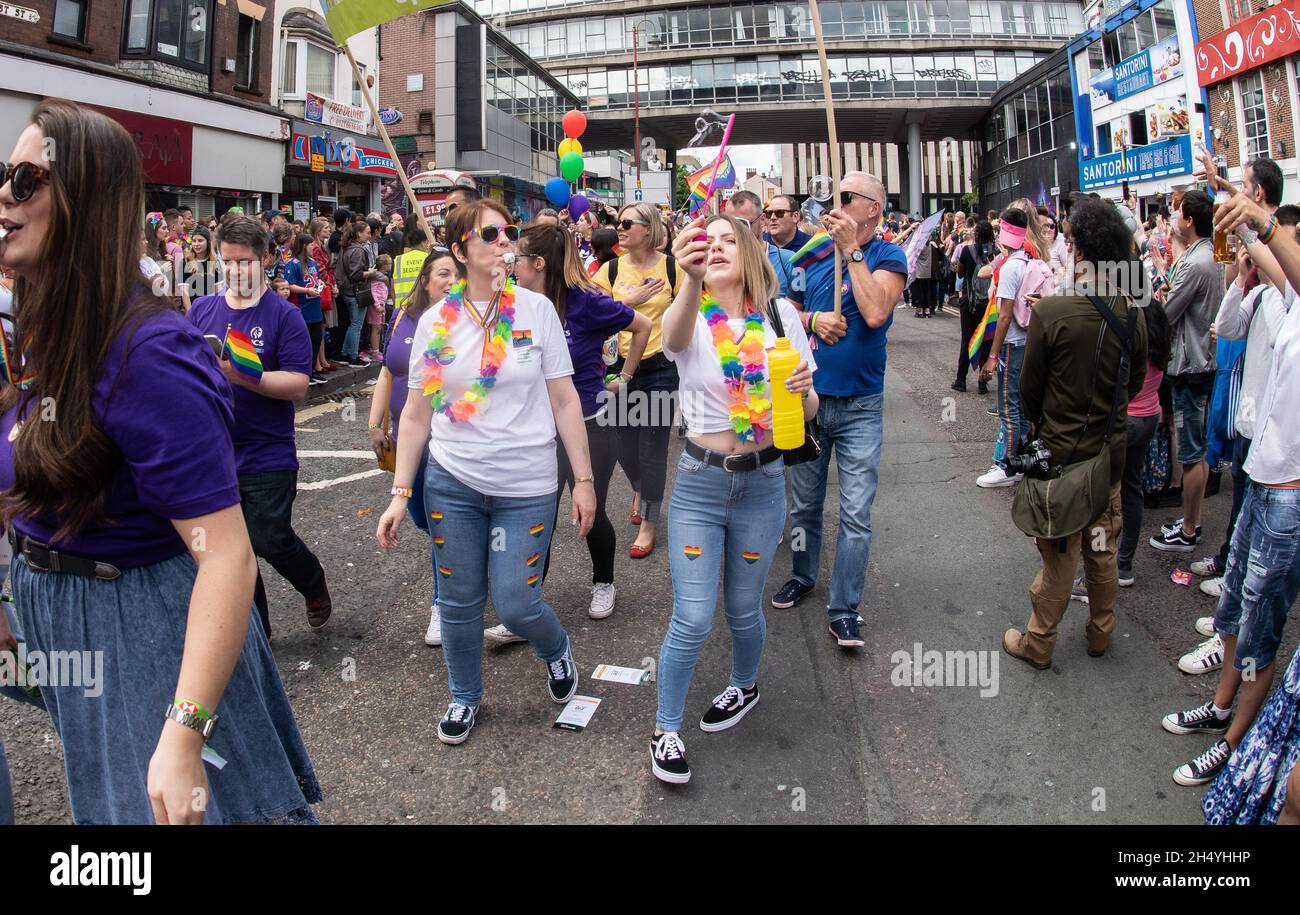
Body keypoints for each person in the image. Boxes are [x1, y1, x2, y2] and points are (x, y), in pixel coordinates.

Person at [0, 99, 319, 824]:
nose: (3, 196)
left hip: (146, 629)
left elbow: (227, 559)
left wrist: (183, 728)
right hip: (61, 618)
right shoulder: (44, 333)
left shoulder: (150, 353)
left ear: (84, 199)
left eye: (25, 180)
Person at [375, 199, 595, 746]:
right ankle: (464, 696)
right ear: (458, 251)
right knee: (459, 599)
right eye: (490, 234)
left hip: (528, 482)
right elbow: (416, 411)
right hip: (455, 478)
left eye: (508, 232)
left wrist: (585, 481)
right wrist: (401, 493)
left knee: (518, 602)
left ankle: (555, 648)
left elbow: (565, 401)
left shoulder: (535, 311)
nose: (504, 242)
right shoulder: (434, 321)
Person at [649, 213, 818, 784]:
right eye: (706, 242)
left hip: (764, 484)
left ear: (748, 252)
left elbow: (811, 405)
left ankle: (743, 687)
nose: (715, 248)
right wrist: (689, 278)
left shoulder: (781, 316)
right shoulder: (691, 316)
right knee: (693, 616)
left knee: (744, 608)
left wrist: (804, 392)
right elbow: (670, 339)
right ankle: (665, 729)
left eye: (727, 241)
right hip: (700, 486)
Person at [1157, 170, 1300, 788]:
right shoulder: (1273, 299)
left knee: (1263, 627)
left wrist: (1257, 221)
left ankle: (1237, 744)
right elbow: (1225, 329)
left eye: (1280, 249)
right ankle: (1219, 709)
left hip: (1290, 497)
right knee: (1237, 605)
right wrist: (1245, 275)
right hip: (1259, 478)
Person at [1002, 195, 1149, 669]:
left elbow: (1030, 391)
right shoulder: (1132, 310)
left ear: (1078, 248)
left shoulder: (1053, 311)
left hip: (1062, 456)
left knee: (1061, 552)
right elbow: (1136, 380)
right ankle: (1100, 633)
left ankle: (1039, 641)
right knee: (1102, 547)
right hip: (1110, 454)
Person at [771, 172, 908, 650]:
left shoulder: (888, 255)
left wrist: (851, 252)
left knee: (855, 512)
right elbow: (786, 310)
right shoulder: (809, 252)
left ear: (873, 207)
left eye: (847, 197)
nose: (836, 204)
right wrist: (813, 318)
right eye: (834, 197)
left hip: (860, 405)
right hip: (811, 399)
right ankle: (803, 574)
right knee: (805, 504)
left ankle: (846, 608)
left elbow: (874, 313)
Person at [190, 215, 331, 639]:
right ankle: (256, 634)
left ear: (266, 258)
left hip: (268, 450)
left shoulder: (283, 316)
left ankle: (312, 580)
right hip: (214, 453)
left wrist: (240, 375)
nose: (235, 271)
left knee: (268, 538)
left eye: (245, 262)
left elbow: (297, 385)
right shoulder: (201, 310)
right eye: (228, 261)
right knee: (232, 553)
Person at [513, 223, 652, 624]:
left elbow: (641, 326)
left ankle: (604, 582)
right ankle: (527, 603)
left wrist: (624, 378)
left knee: (590, 510)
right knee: (538, 514)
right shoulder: (516, 304)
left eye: (519, 259)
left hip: (590, 423)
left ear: (538, 263)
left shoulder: (587, 301)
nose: (513, 266)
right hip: (535, 428)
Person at [367, 247, 457, 646]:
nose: (451, 281)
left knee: (441, 524)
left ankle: (442, 605)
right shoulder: (404, 314)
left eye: (457, 274)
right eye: (443, 274)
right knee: (421, 517)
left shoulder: (465, 320)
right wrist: (375, 422)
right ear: (425, 279)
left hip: (449, 442)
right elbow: (388, 369)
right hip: (408, 440)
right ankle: (466, 562)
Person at [592, 202, 684, 559]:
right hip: (618, 369)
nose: (619, 227)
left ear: (649, 228)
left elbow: (691, 313)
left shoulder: (673, 269)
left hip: (662, 368)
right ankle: (641, 489)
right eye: (618, 222)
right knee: (624, 450)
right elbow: (592, 311)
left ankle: (649, 522)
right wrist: (626, 300)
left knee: (651, 449)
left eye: (627, 222)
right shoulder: (609, 270)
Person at [1148, 189, 1219, 552]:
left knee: (1192, 452)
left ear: (1189, 220)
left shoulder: (1196, 262)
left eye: (1177, 212)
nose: (1173, 217)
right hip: (1198, 361)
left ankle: (1190, 529)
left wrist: (1160, 285)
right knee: (1197, 450)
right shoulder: (1202, 255)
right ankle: (1193, 521)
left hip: (1192, 365)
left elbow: (1166, 312)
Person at [975, 207, 1039, 488]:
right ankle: (1020, 461)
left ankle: (1007, 466)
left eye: (1000, 229)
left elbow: (1004, 315)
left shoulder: (1012, 266)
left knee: (1008, 406)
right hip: (1025, 343)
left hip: (1012, 344)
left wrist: (992, 356)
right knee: (1020, 406)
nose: (997, 234)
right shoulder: (1025, 259)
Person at [954, 219, 996, 393]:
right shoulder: (996, 253)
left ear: (976, 233)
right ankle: (982, 383)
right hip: (988, 304)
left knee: (967, 339)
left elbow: (960, 273)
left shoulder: (966, 250)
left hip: (969, 302)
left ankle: (961, 380)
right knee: (986, 341)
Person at [729, 190, 796, 298]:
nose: (736, 231)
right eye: (730, 224)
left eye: (743, 224)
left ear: (762, 220)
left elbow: (798, 310)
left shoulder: (788, 261)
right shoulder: (721, 262)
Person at [283, 232, 327, 386]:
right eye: (310, 245)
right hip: (301, 307)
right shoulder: (292, 264)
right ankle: (303, 372)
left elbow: (318, 278)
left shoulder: (312, 262)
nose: (313, 247)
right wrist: (307, 291)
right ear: (303, 246)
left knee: (316, 339)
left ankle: (312, 371)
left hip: (315, 307)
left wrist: (320, 284)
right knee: (304, 342)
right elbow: (290, 284)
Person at [337, 219, 379, 367]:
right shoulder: (358, 250)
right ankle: (353, 356)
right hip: (356, 292)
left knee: (353, 324)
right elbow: (356, 275)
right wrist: (370, 272)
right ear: (359, 233)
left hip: (347, 292)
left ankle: (345, 353)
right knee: (356, 325)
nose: (369, 235)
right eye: (367, 233)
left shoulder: (346, 247)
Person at [308, 216, 337, 375]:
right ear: (318, 230)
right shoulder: (315, 248)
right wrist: (331, 285)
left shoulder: (322, 246)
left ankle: (322, 360)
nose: (329, 229)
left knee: (323, 325)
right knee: (320, 326)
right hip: (320, 289)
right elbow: (320, 270)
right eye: (325, 228)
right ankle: (318, 362)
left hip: (325, 287)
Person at [181, 225, 222, 312]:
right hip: (194, 309)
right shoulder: (186, 261)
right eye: (194, 241)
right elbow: (184, 292)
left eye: (200, 241)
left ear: (208, 242)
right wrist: (190, 313)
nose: (196, 244)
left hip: (210, 309)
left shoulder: (214, 262)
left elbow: (218, 290)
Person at [367, 253, 393, 361]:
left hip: (381, 305)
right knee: (376, 327)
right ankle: (375, 351)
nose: (391, 265)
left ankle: (376, 349)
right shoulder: (376, 277)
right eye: (390, 263)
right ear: (384, 265)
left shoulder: (381, 276)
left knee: (379, 327)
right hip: (377, 306)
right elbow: (373, 291)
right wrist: (377, 305)